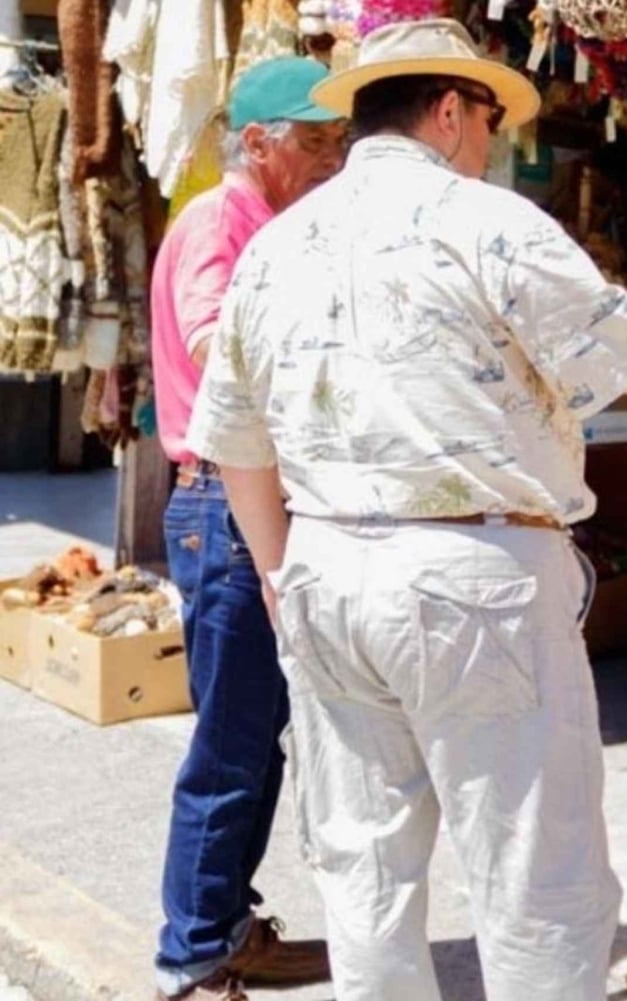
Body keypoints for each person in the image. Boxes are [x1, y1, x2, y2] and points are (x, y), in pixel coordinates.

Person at [184, 19, 627, 1001]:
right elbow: (626, 359)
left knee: (364, 878)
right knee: (536, 880)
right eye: (486, 116)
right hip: (469, 578)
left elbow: (235, 437)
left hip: (326, 567)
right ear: (448, 111)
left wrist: (278, 573)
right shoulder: (486, 220)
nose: (490, 139)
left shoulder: (278, 247)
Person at [149, 57, 346, 1001]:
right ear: (258, 143)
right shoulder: (219, 218)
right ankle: (191, 958)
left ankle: (225, 928)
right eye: (315, 141)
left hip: (241, 503)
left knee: (255, 738)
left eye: (338, 140)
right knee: (230, 746)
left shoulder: (264, 222)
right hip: (225, 505)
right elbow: (212, 339)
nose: (332, 159)